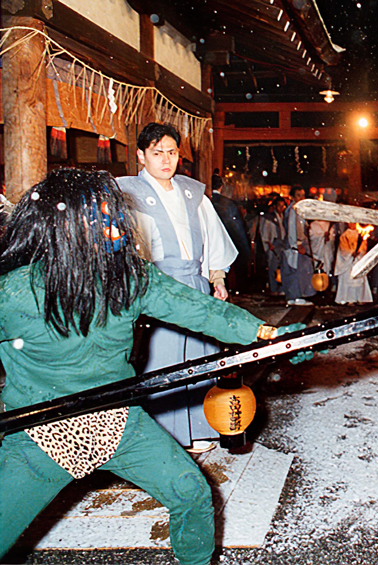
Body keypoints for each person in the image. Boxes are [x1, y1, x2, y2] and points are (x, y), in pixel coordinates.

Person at [0, 168, 280, 565]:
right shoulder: (13, 293)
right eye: (97, 217)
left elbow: (197, 308)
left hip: (117, 421)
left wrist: (261, 335)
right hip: (38, 433)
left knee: (191, 492)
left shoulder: (126, 278)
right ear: (63, 227)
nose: (111, 226)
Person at [117, 122, 238, 453]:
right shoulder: (128, 195)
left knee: (199, 358)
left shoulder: (192, 193)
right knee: (164, 361)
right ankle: (167, 438)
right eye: (157, 153)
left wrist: (217, 278)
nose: (165, 160)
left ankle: (201, 429)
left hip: (195, 284)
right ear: (141, 156)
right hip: (157, 287)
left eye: (171, 152)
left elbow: (213, 239)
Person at [210, 175, 251, 291]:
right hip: (227, 241)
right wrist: (245, 249)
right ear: (222, 186)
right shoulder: (227, 204)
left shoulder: (205, 200)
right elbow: (237, 228)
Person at [282, 186, 316, 306]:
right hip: (296, 246)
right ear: (292, 197)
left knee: (294, 270)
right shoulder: (294, 211)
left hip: (295, 245)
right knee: (296, 271)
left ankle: (293, 296)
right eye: (298, 195)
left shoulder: (296, 210)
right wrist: (298, 244)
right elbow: (293, 229)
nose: (301, 198)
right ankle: (296, 296)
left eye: (302, 195)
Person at [334, 222, 373, 305]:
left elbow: (363, 247)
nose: (353, 224)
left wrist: (359, 253)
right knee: (348, 281)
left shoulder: (361, 234)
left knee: (359, 281)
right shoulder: (344, 236)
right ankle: (348, 299)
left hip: (358, 261)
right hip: (348, 263)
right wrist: (351, 253)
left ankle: (359, 299)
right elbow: (343, 249)